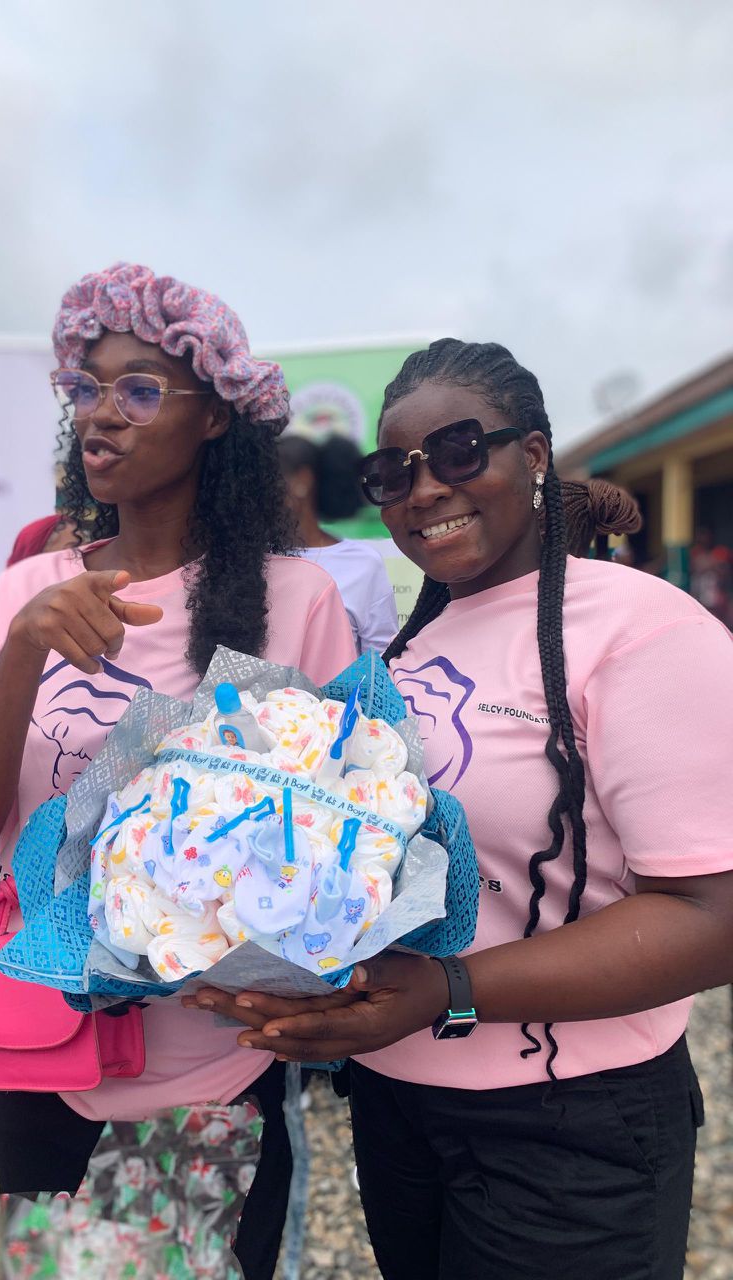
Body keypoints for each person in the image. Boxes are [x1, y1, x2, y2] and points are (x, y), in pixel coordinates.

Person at [189, 339, 733, 1280]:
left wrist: (447, 991)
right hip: (396, 1103)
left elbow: (712, 918)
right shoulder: (404, 646)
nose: (425, 488)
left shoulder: (644, 629)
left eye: (457, 450)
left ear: (534, 454)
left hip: (568, 1124)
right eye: (392, 473)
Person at [0, 263, 357, 1280]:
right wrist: (26, 644)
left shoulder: (296, 599)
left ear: (216, 416)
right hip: (48, 1054)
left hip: (212, 1065)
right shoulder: (30, 591)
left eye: (139, 389)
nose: (99, 413)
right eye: (85, 389)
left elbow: (343, 843)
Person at [278, 431, 398, 654]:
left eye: (268, 480)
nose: (255, 492)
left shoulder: (362, 564)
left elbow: (380, 657)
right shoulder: (250, 559)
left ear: (302, 481)